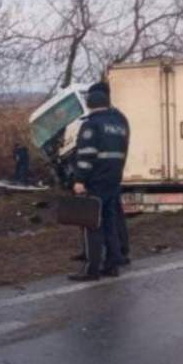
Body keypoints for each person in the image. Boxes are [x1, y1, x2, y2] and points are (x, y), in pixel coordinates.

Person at [68, 81, 131, 282]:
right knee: (111, 223)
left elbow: (86, 155)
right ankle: (112, 264)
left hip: (96, 180)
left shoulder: (91, 124)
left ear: (90, 104)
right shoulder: (120, 122)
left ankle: (91, 269)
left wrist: (79, 180)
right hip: (114, 178)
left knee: (92, 224)